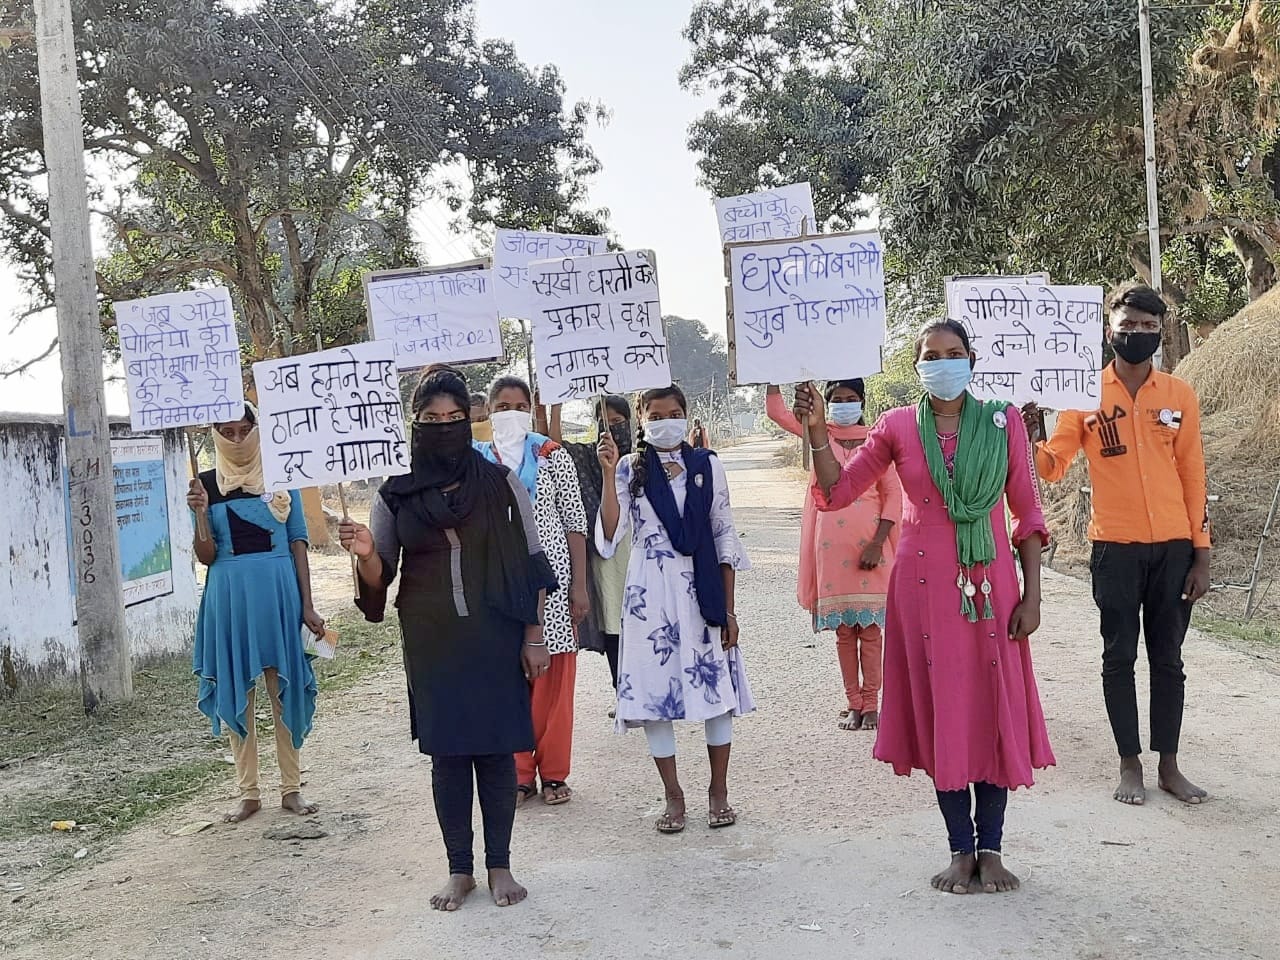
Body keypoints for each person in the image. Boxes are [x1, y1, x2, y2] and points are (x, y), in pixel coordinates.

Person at [796, 320, 1054, 894]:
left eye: (954, 353)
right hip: (920, 590)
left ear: (972, 359)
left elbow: (1028, 515)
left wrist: (1033, 597)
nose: (943, 363)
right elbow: (837, 491)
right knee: (943, 711)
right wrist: (817, 433)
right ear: (917, 367)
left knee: (991, 707)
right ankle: (960, 850)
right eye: (931, 355)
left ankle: (992, 849)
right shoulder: (896, 427)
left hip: (993, 589)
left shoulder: (1001, 420)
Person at [338, 366, 556, 912]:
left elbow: (531, 563)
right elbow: (380, 576)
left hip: (496, 632)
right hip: (432, 640)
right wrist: (365, 553)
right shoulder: (394, 492)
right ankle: (459, 869)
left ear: (471, 419)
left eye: (455, 418)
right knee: (449, 756)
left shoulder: (501, 482)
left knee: (497, 751)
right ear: (415, 424)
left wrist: (535, 636)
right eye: (432, 419)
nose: (444, 427)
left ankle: (499, 865)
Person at [1023, 283, 1210, 807]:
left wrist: (1202, 551)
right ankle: (1129, 764)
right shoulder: (1082, 396)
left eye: (1148, 327)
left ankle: (1169, 766)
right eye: (1128, 325)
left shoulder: (1179, 395)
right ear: (1110, 331)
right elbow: (1051, 468)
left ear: (1161, 331)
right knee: (1119, 656)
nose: (1137, 335)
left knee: (1168, 659)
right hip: (1114, 549)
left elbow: (1193, 474)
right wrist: (1025, 431)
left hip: (1174, 548)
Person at [597, 385, 754, 834]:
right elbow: (610, 534)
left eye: (675, 412)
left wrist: (729, 608)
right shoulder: (631, 468)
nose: (666, 419)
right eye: (656, 413)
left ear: (686, 416)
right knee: (654, 696)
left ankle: (718, 790)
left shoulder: (708, 466)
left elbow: (723, 534)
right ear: (642, 419)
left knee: (715, 695)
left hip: (700, 592)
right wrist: (608, 475)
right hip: (650, 594)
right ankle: (673, 794)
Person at [187, 403, 325, 824]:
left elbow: (298, 542)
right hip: (229, 598)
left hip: (280, 595)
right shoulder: (205, 485)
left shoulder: (286, 479)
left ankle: (291, 787)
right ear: (214, 434)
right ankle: (247, 792)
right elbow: (206, 555)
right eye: (226, 431)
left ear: (256, 429)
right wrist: (199, 513)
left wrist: (307, 603)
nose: (236, 438)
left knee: (284, 690)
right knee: (236, 689)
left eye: (244, 429)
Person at [475, 376, 589, 807]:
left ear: (532, 408)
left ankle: (555, 772)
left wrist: (580, 585)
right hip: (498, 584)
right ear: (488, 411)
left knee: (556, 682)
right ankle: (519, 772)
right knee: (510, 680)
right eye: (502, 405)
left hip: (555, 582)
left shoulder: (551, 454)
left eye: (520, 404)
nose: (511, 412)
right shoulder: (477, 458)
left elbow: (574, 522)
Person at [766, 380, 902, 731]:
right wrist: (772, 372)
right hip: (830, 550)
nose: (844, 405)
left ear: (862, 402)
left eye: (851, 399)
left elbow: (893, 496)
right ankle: (853, 703)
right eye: (837, 399)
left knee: (871, 633)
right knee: (844, 633)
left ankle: (872, 704)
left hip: (873, 549)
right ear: (825, 404)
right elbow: (776, 412)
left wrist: (878, 542)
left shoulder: (878, 439)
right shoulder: (817, 432)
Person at [549, 396, 634, 691]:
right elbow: (555, 448)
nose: (610, 429)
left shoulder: (643, 459)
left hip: (638, 550)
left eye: (618, 423)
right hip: (604, 551)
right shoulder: (588, 457)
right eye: (604, 423)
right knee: (612, 619)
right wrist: (554, 405)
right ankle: (621, 689)